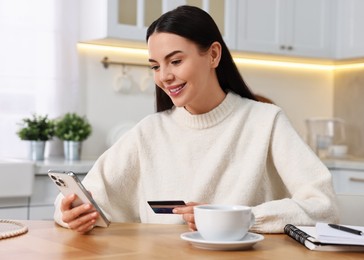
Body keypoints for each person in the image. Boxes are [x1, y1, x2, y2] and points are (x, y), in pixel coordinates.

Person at [54, 5, 338, 234]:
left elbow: (323, 206)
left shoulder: (266, 121)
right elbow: (85, 195)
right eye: (155, 65)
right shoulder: (149, 131)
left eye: (175, 61)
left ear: (213, 55)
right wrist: (69, 213)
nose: (164, 76)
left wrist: (239, 218)